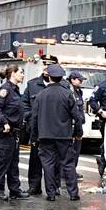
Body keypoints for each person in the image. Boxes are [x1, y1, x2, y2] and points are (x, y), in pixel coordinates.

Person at [33, 64, 83, 201]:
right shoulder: (67, 94)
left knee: (48, 164)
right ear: (61, 77)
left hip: (45, 136)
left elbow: (35, 118)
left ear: (48, 76)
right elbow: (76, 116)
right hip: (64, 135)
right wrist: (78, 132)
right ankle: (73, 193)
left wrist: (34, 137)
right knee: (68, 164)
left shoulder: (40, 95)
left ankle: (51, 194)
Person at [0, 65, 26, 201]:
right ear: (13, 74)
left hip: (13, 133)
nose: (22, 75)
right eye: (21, 72)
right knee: (2, 162)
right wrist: (4, 122)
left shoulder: (15, 90)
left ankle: (14, 190)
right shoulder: (6, 89)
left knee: (13, 163)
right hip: (3, 132)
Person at [19, 66, 52, 197]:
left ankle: (53, 188)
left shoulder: (62, 85)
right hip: (37, 128)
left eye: (50, 67)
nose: (46, 70)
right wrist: (29, 116)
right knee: (35, 159)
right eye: (45, 66)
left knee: (54, 161)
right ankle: (34, 186)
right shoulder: (32, 84)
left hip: (53, 128)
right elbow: (24, 103)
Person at [65, 71, 86, 185]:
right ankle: (67, 172)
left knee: (76, 150)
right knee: (70, 151)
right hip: (70, 125)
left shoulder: (78, 92)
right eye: (79, 80)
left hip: (78, 124)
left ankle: (73, 170)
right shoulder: (68, 92)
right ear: (72, 79)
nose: (81, 82)